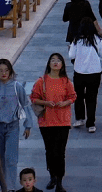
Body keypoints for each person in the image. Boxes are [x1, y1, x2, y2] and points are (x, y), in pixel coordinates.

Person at [0, 59, 35, 185]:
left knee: (11, 158)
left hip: (12, 126)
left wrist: (28, 125)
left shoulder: (17, 87)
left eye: (6, 70)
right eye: (0, 70)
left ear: (10, 71)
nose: (3, 73)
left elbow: (26, 105)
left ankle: (10, 185)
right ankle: (2, 184)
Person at [29, 53, 75, 192]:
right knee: (50, 150)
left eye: (58, 60)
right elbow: (33, 98)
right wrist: (46, 103)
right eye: (53, 60)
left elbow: (73, 96)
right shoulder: (41, 81)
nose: (55, 63)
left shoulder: (66, 81)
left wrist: (65, 102)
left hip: (62, 121)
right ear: (49, 63)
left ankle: (59, 181)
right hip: (46, 122)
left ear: (62, 65)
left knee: (60, 152)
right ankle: (52, 176)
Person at [68, 18, 102, 132]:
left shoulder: (77, 40)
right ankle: (91, 123)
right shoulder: (97, 39)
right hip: (95, 72)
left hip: (79, 72)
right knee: (92, 97)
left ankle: (80, 118)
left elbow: (71, 55)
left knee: (78, 96)